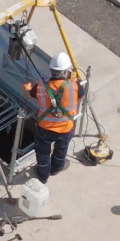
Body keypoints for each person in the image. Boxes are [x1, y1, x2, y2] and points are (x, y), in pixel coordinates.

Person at [22, 52, 79, 182]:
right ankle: (56, 168)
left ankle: (43, 175)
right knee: (61, 149)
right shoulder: (75, 87)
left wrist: (26, 87)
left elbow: (28, 95)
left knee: (43, 152)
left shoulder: (40, 87)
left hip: (45, 129)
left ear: (51, 70)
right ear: (66, 72)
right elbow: (80, 94)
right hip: (65, 129)